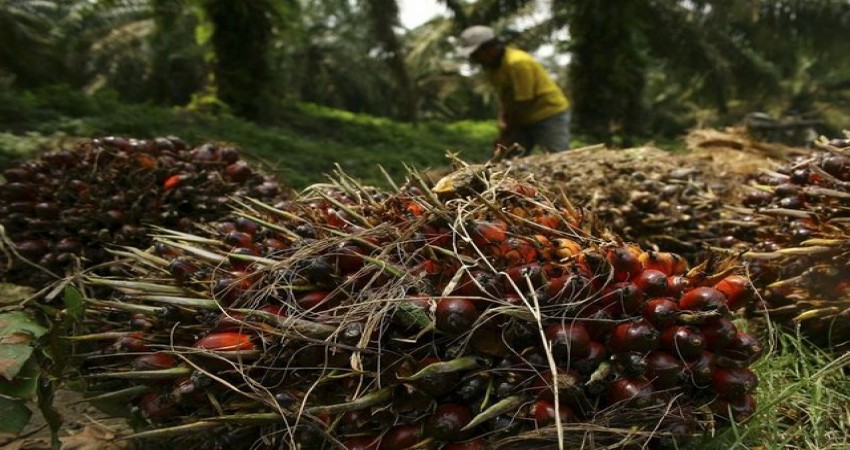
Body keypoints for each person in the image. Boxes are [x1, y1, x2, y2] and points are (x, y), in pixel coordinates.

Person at [457, 25, 571, 157]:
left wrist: (507, 133)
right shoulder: (492, 68)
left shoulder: (518, 63)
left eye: (476, 54)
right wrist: (502, 122)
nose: (474, 58)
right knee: (507, 158)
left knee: (558, 157)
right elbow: (504, 96)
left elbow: (523, 102)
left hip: (548, 113)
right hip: (522, 118)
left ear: (489, 48)